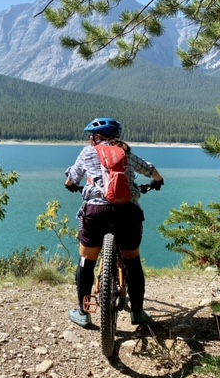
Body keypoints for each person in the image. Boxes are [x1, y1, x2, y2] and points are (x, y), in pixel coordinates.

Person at [65, 117, 164, 328]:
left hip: (96, 211)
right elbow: (149, 168)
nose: (91, 140)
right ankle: (137, 312)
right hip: (128, 211)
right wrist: (158, 180)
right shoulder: (125, 153)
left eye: (92, 137)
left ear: (97, 137)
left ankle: (84, 312)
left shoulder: (87, 152)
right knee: (133, 261)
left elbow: (72, 179)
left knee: (86, 260)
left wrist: (71, 184)